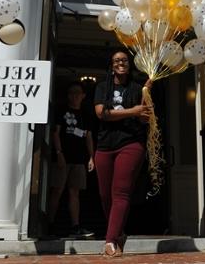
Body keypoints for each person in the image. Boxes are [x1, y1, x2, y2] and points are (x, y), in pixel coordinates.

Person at [93, 51, 152, 257]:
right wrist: (132, 111)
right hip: (104, 145)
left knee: (121, 192)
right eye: (116, 60)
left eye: (124, 60)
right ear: (111, 65)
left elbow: (144, 117)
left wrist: (144, 110)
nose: (121, 63)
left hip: (130, 144)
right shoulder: (102, 87)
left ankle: (109, 241)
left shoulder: (137, 89)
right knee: (104, 195)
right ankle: (118, 234)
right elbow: (102, 113)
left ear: (129, 64)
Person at [46, 81, 95, 239]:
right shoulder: (61, 110)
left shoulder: (86, 114)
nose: (74, 96)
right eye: (71, 93)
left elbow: (88, 137)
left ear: (83, 96)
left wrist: (91, 157)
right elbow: (55, 133)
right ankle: (49, 224)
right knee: (57, 191)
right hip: (63, 158)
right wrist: (59, 153)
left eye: (77, 93)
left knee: (75, 192)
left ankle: (75, 226)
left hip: (79, 159)